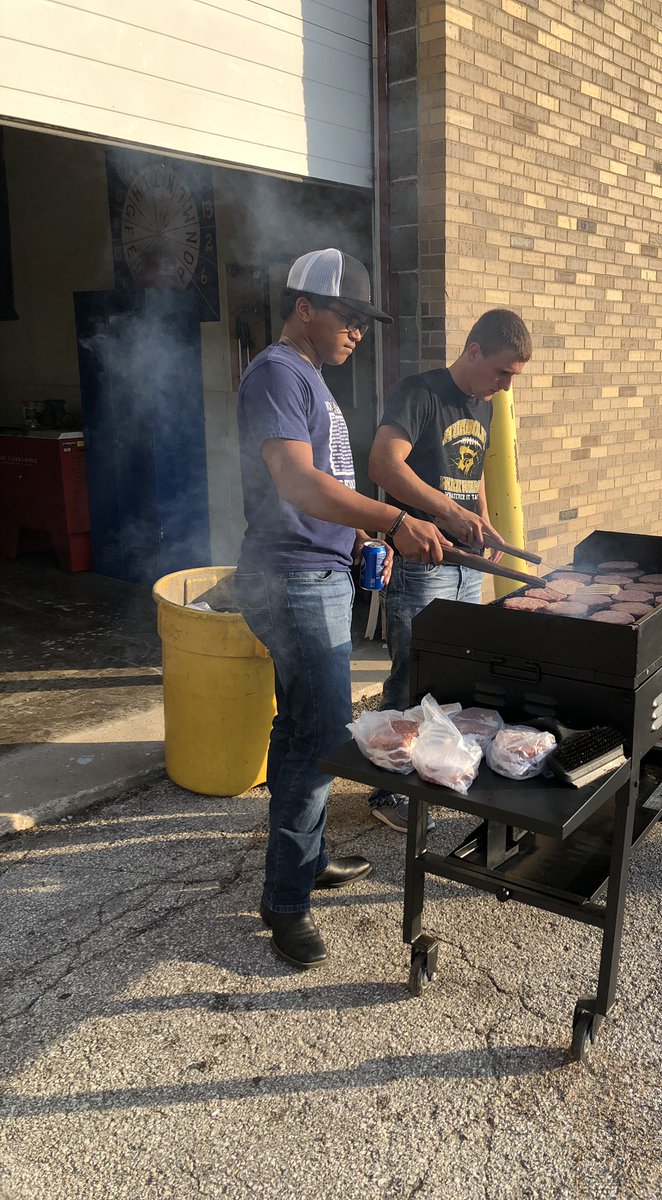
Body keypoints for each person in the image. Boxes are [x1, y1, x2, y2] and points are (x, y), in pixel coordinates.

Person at [233, 248, 450, 970]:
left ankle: (307, 856)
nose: (358, 331)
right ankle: (285, 902)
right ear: (304, 308)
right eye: (348, 317)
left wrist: (360, 533)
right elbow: (296, 484)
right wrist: (390, 521)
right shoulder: (276, 372)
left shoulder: (312, 382)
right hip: (290, 580)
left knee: (299, 724)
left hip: (317, 571)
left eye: (364, 322)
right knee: (318, 735)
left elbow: (323, 492)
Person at [366, 308, 533, 831]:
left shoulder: (484, 405)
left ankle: (431, 768)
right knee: (411, 673)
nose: (506, 387)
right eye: (502, 372)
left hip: (465, 562)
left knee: (454, 673)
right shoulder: (420, 393)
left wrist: (480, 520)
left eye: (514, 378)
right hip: (421, 563)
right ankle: (386, 788)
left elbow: (473, 469)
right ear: (474, 351)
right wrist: (448, 512)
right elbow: (383, 465)